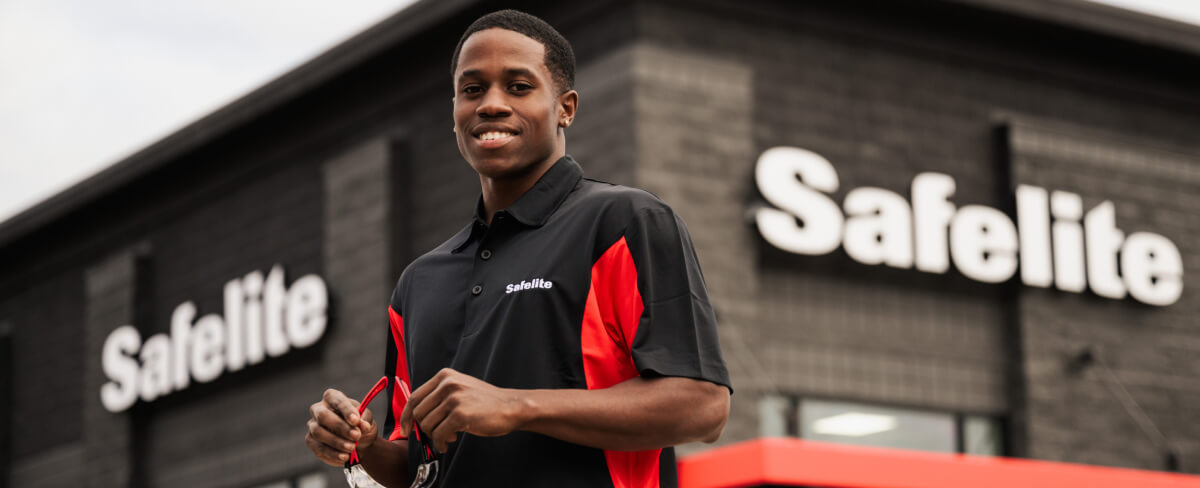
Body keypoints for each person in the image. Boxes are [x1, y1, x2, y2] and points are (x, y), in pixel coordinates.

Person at [306, 9, 731, 487]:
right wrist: (363, 448)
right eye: (472, 90)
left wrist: (516, 406)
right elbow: (418, 467)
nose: (490, 104)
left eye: (518, 86)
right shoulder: (419, 282)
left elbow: (702, 406)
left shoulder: (624, 222)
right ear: (454, 113)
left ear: (565, 107)